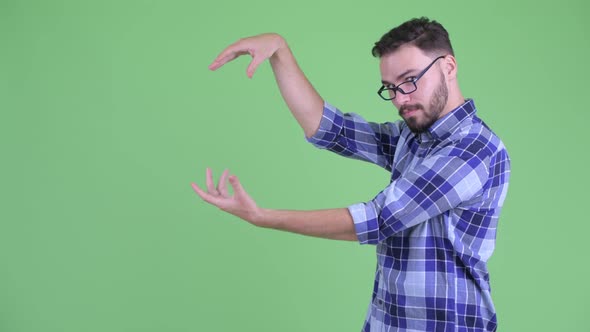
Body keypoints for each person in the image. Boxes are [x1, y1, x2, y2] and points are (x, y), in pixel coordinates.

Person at [192, 17, 510, 332]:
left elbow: (378, 219)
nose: (400, 99)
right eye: (390, 88)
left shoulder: (475, 150)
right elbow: (334, 130)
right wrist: (280, 50)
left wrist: (264, 217)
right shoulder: (413, 138)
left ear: (449, 67)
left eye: (410, 80)